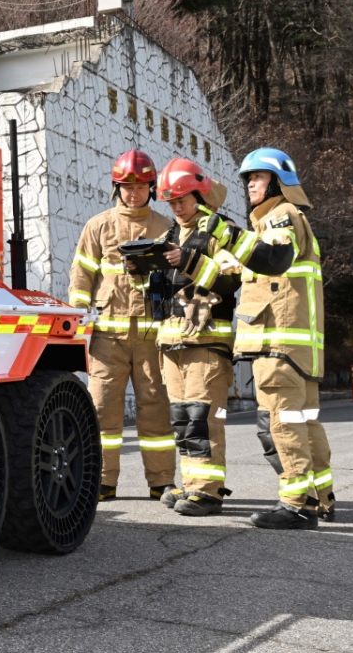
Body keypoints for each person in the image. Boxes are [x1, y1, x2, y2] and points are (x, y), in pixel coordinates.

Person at [201, 148, 333, 530]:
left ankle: (297, 505)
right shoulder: (286, 221)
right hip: (301, 351)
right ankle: (323, 498)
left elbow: (274, 260)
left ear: (278, 181)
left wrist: (225, 233)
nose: (250, 185)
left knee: (282, 423)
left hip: (279, 348)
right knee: (306, 422)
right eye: (247, 179)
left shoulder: (279, 216)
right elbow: (252, 268)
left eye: (257, 177)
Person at [69, 150, 176, 501]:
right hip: (107, 337)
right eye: (127, 187)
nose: (134, 193)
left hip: (151, 336)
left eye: (141, 186)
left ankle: (161, 481)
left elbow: (177, 278)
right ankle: (102, 481)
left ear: (152, 188)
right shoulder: (98, 226)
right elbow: (81, 276)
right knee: (102, 409)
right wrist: (79, 319)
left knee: (156, 407)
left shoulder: (166, 228)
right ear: (116, 188)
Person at [151, 158, 241, 517]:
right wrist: (143, 270)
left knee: (203, 418)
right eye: (171, 203)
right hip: (172, 342)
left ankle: (208, 493)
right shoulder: (169, 235)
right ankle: (192, 486)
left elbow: (231, 278)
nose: (176, 208)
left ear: (199, 195)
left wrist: (188, 260)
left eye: (182, 201)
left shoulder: (222, 230)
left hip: (207, 343)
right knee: (183, 418)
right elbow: (160, 288)